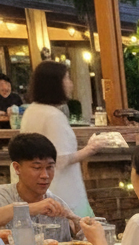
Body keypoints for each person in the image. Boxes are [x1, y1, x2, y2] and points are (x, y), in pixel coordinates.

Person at [20, 60, 104, 216]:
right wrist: (90, 149)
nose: (70, 84)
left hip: (39, 191)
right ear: (55, 83)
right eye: (67, 78)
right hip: (62, 192)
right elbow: (60, 159)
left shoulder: (31, 111)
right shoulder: (53, 116)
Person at [0, 131, 80, 241]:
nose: (45, 175)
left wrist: (78, 224)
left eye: (49, 167)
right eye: (37, 168)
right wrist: (32, 208)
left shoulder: (57, 204)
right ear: (17, 168)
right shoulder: (3, 196)